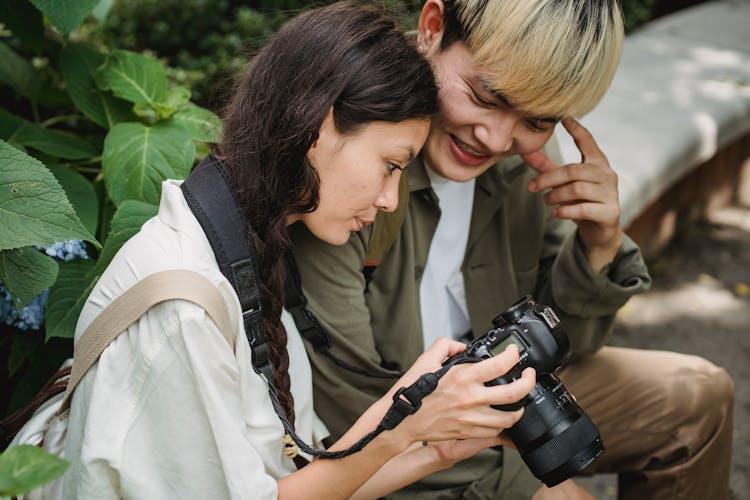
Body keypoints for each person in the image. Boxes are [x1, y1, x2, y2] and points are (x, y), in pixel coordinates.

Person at [61, 3, 547, 499]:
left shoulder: (246, 251)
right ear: (319, 126)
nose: (389, 199)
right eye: (390, 165)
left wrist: (431, 445)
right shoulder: (185, 310)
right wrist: (403, 423)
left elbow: (300, 485)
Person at [290, 0, 735, 498]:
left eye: (538, 119)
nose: (497, 138)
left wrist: (599, 244)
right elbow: (359, 417)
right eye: (485, 97)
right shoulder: (357, 179)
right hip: (406, 439)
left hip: (506, 395)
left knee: (698, 396)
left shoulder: (529, 159)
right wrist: (532, 484)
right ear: (432, 28)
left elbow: (574, 344)